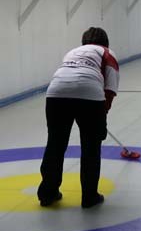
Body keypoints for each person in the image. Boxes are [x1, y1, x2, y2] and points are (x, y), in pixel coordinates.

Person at [37, 27, 119, 209]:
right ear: (105, 42)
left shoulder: (72, 52)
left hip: (56, 93)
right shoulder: (107, 52)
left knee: (55, 144)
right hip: (90, 94)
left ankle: (47, 193)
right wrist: (101, 116)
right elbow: (110, 89)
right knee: (91, 147)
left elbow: (68, 76)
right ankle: (89, 197)